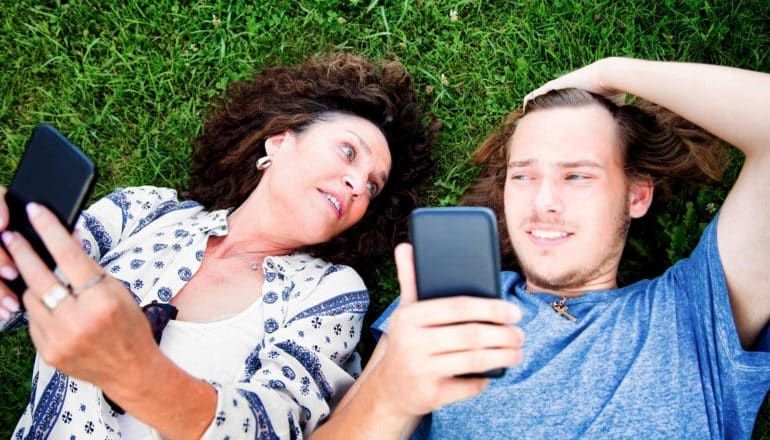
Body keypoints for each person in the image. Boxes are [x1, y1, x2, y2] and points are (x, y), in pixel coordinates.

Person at [313, 57, 770, 439]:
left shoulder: (695, 313)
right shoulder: (453, 303)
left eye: (577, 175)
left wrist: (609, 74)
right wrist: (391, 394)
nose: (543, 201)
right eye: (524, 175)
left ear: (637, 195)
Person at [0, 53, 433, 439]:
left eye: (373, 187)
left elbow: (279, 423)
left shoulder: (329, 294)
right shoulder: (145, 210)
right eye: (347, 152)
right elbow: (21, 293)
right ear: (279, 142)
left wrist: (136, 375)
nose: (358, 183)